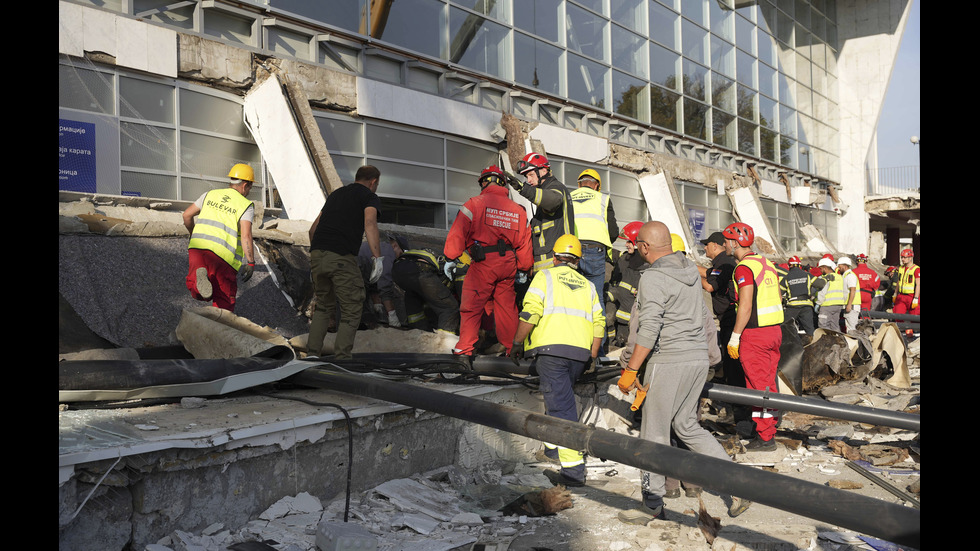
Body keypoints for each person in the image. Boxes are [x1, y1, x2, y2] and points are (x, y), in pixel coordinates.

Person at [616, 221, 751, 523]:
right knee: (687, 425)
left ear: (645, 247)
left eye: (637, 245)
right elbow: (703, 318)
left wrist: (631, 368)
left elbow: (647, 329)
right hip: (697, 360)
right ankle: (741, 485)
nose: (636, 249)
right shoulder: (690, 270)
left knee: (654, 435)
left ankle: (652, 504)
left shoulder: (652, 278)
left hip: (669, 362)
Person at [511, 234, 604, 487]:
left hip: (552, 353)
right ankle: (553, 450)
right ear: (578, 261)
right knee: (558, 401)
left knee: (562, 409)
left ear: (554, 257)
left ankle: (573, 473)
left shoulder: (545, 277)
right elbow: (599, 323)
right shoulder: (587, 285)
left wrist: (517, 343)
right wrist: (593, 355)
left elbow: (530, 312)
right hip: (579, 355)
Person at [445, 165, 533, 362]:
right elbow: (525, 245)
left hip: (484, 262)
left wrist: (451, 256)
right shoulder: (519, 210)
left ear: (483, 182)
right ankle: (513, 350)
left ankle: (465, 350)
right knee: (507, 309)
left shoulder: (474, 204)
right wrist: (524, 267)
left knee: (472, 305)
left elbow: (457, 234)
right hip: (508, 265)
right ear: (503, 183)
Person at [307, 165, 384, 359]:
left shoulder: (335, 195)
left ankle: (312, 355)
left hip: (317, 254)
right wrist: (377, 257)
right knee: (352, 308)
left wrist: (319, 253)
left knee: (324, 307)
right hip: (341, 257)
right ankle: (342, 359)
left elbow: (312, 230)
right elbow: (370, 223)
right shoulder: (368, 196)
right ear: (373, 182)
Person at [724, 222, 784, 452]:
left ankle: (766, 437)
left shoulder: (743, 268)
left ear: (735, 242)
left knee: (757, 387)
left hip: (755, 334)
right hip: (774, 331)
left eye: (728, 240)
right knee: (768, 383)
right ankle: (769, 425)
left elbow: (746, 305)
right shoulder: (766, 263)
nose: (726, 244)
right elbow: (778, 295)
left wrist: (735, 337)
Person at [183, 163, 258, 312]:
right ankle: (219, 331)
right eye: (250, 187)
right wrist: (250, 262)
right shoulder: (245, 205)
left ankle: (200, 281)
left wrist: (193, 234)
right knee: (224, 301)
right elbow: (246, 235)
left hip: (197, 249)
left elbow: (187, 215)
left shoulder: (209, 194)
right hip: (223, 257)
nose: (249, 191)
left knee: (197, 289)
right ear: (245, 185)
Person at [697, 231, 749, 432]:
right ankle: (737, 412)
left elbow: (710, 285)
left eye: (707, 245)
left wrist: (691, 273)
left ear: (716, 245)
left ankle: (740, 415)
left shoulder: (724, 263)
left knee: (733, 369)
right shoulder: (721, 264)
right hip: (727, 319)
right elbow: (708, 274)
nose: (704, 248)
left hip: (730, 319)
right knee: (730, 367)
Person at [508, 153, 575, 274]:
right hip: (547, 267)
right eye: (526, 176)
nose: (528, 180)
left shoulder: (556, 187)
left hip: (556, 265)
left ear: (543, 171)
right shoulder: (544, 190)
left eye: (531, 175)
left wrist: (523, 189)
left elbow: (553, 200)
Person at [569, 169, 618, 311]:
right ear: (596, 186)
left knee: (574, 299)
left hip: (572, 251)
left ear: (579, 185)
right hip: (595, 251)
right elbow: (613, 232)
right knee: (596, 299)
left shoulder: (569, 197)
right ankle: (597, 333)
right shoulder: (603, 199)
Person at [391, 246, 460, 334]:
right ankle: (444, 341)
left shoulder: (437, 255)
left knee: (415, 299)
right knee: (449, 307)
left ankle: (419, 334)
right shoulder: (454, 266)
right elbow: (440, 291)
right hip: (421, 270)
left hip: (398, 269)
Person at [607, 221, 645, 347]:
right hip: (620, 320)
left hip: (635, 324)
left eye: (629, 241)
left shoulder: (646, 266)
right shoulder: (624, 260)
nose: (626, 244)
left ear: (637, 243)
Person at [359, 232, 405, 328]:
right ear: (395, 246)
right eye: (400, 253)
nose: (399, 257)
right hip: (352, 271)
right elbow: (384, 285)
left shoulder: (381, 248)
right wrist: (392, 315)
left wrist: (377, 305)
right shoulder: (389, 254)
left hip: (355, 269)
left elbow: (373, 281)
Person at [779, 256, 816, 340]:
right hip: (806, 306)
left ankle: (787, 346)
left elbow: (780, 293)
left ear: (789, 266)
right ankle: (812, 343)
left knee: (784, 327)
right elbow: (820, 283)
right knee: (809, 329)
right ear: (799, 265)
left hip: (793, 306)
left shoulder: (786, 278)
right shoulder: (807, 275)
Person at [812, 257, 845, 332]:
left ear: (824, 268)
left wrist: (818, 303)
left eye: (820, 269)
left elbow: (822, 292)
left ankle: (827, 342)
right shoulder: (840, 277)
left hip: (826, 305)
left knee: (823, 326)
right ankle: (838, 341)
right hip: (838, 305)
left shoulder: (824, 278)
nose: (820, 270)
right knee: (835, 326)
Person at [837, 257, 861, 332]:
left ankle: (855, 343)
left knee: (852, 329)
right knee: (849, 329)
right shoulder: (845, 276)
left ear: (845, 266)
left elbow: (852, 290)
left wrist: (849, 304)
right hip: (850, 306)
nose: (839, 269)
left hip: (852, 306)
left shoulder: (850, 276)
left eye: (840, 267)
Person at [892, 249, 920, 315]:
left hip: (911, 296)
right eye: (902, 257)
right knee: (897, 315)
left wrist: (916, 298)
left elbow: (918, 284)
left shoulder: (916, 269)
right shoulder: (901, 268)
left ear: (910, 258)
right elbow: (899, 281)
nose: (902, 259)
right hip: (901, 296)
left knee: (915, 317)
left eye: (904, 257)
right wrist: (895, 293)